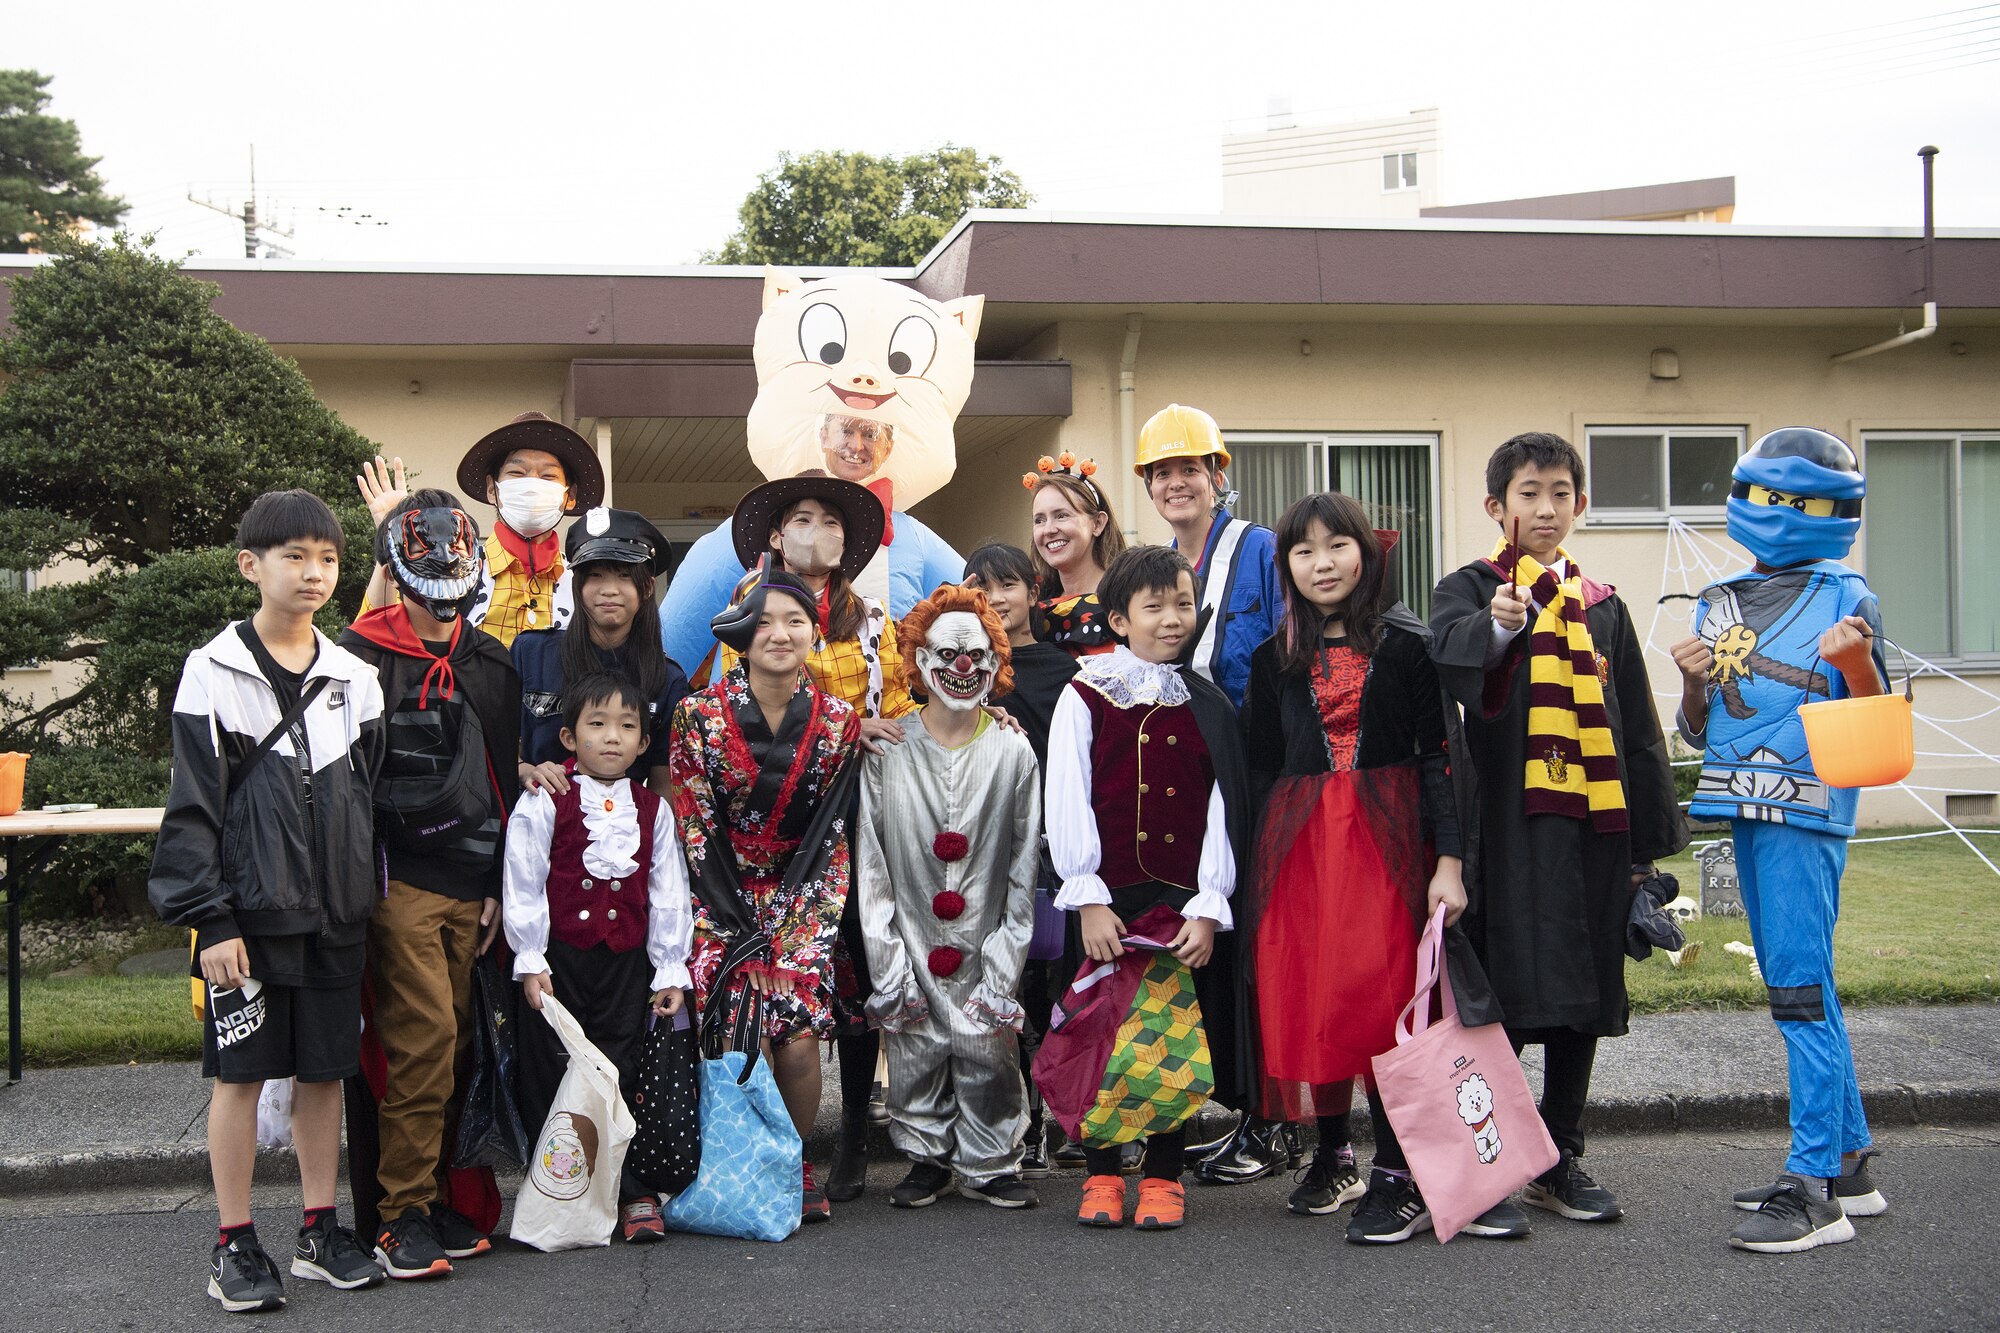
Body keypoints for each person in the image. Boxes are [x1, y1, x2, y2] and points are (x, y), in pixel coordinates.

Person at [1245, 493, 1532, 1244]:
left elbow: (1441, 756)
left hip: (1388, 843)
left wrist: (1449, 860)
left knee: (1389, 1001)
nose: (1321, 563)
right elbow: (1258, 766)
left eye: (1335, 545)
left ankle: (1400, 1171)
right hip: (1300, 850)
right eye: (1302, 552)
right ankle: (1334, 1150)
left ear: (1366, 553)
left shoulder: (1409, 644)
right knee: (1319, 995)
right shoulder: (1272, 656)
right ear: (1287, 568)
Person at [1428, 432, 1687, 1226]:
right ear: (1494, 507)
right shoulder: (1470, 588)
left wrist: (1643, 847)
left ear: (1581, 503)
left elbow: (1635, 726)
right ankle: (1495, 1159)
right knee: (1489, 991)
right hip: (1497, 826)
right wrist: (1498, 627)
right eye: (1528, 492)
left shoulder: (1602, 603)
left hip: (1589, 829)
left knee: (1586, 985)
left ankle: (1562, 1151)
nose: (1545, 507)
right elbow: (1444, 666)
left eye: (1560, 492)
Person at [149, 491, 389, 1313]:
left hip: (335, 917)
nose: (314, 572)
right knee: (240, 1078)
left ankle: (321, 1228)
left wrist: (363, 894)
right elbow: (192, 809)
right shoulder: (211, 670)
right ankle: (234, 1241)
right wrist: (209, 918)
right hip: (245, 923)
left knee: (326, 1072)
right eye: (294, 556)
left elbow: (367, 794)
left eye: (326, 557)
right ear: (251, 565)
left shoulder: (355, 675)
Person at [1668, 427, 1889, 1255]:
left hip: (1807, 811)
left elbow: (1875, 737)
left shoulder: (1848, 597)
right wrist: (1692, 679)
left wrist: (1858, 666)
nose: (1784, 512)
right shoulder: (1714, 600)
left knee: (1797, 989)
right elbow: (1698, 731)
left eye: (1802, 498)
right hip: (1743, 804)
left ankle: (1812, 1189)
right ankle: (1851, 1161)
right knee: (1803, 981)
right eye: (1775, 494)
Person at [711, 472, 915, 1203]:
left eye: (831, 520)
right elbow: (728, 707)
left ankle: (854, 1129)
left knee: (858, 972)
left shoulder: (871, 622)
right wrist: (838, 726)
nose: (817, 530)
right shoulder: (747, 609)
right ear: (775, 535)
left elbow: (903, 710)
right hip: (769, 827)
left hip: (859, 820)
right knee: (759, 997)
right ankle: (758, 1146)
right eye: (801, 518)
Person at [339, 490, 522, 1278]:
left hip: (468, 883)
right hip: (397, 881)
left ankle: (437, 1197)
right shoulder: (361, 657)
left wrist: (494, 886)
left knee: (456, 1046)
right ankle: (398, 1214)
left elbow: (499, 783)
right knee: (422, 1045)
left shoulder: (493, 663)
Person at [1043, 545, 1251, 1231]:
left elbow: (1225, 805)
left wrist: (1211, 901)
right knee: (1102, 1033)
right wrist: (1088, 893)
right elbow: (1066, 792)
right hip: (1108, 898)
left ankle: (1164, 1174)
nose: (1171, 618)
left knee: (1170, 1039)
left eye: (1182, 603)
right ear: (1120, 617)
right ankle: (1103, 1172)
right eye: (1153, 605)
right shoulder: (1085, 693)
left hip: (1180, 901)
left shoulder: (1209, 702)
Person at [670, 563, 864, 1223]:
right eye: (763, 619)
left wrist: (793, 928)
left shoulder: (839, 721)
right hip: (714, 897)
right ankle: (736, 1152)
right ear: (739, 633)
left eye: (795, 620)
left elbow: (835, 833)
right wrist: (732, 924)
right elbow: (692, 826)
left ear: (815, 630)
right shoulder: (696, 714)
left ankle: (792, 1157)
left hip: (803, 894)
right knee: (739, 1027)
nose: (779, 633)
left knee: (799, 1037)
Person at [1134, 403, 1295, 1187]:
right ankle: (1249, 1113)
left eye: (1188, 468)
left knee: (1264, 944)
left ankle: (1280, 1123)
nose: (1176, 483)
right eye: (1161, 472)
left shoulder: (1260, 549)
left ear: (1216, 475)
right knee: (1218, 948)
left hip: (1264, 772)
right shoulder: (1163, 568)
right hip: (1197, 778)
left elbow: (1290, 654)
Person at [855, 586, 1043, 1209]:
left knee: (988, 1043)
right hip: (909, 930)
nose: (963, 669)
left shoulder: (1014, 750)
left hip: (985, 932)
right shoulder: (888, 750)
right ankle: (925, 1156)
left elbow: (1022, 863)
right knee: (914, 1041)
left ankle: (992, 1158)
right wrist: (887, 962)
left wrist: (1006, 957)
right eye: (949, 654)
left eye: (978, 654)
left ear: (996, 660)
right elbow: (872, 866)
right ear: (918, 659)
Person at [503, 672, 695, 1245]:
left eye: (627, 727)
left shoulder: (652, 809)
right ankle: (562, 1188)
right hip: (560, 961)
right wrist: (531, 957)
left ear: (643, 743)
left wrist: (669, 967)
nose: (612, 737)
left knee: (623, 1066)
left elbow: (668, 890)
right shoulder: (544, 799)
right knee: (556, 1068)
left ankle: (632, 1186)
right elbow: (524, 879)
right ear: (568, 737)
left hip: (625, 964)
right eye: (597, 724)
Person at [660, 415, 966, 678]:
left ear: (888, 449)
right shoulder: (747, 604)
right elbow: (674, 640)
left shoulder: (883, 598)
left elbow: (982, 612)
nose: (857, 446)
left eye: (870, 434)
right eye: (846, 430)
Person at [963, 542, 1078, 1176]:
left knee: (1052, 986)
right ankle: (1012, 1121)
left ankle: (1059, 1119)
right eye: (980, 586)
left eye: (1006, 584)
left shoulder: (1063, 672)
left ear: (1033, 592)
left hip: (1049, 849)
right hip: (980, 850)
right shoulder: (959, 669)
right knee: (997, 989)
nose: (996, 598)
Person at [356, 410, 606, 648]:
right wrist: (395, 542)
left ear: (570, 495)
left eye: (548, 476)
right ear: (491, 488)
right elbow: (375, 635)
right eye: (517, 473)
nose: (531, 484)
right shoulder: (451, 568)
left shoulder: (582, 582)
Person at [513, 507, 689, 798]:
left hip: (624, 832)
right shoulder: (531, 653)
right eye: (595, 575)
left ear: (646, 588)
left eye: (624, 576)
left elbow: (663, 783)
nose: (609, 590)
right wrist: (526, 771)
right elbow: (492, 745)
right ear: (578, 586)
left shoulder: (667, 678)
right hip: (537, 823)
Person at [1022, 454, 1126, 658]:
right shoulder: (1031, 607)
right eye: (1039, 520)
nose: (1049, 530)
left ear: (1098, 523)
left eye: (1062, 516)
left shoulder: (1129, 599)